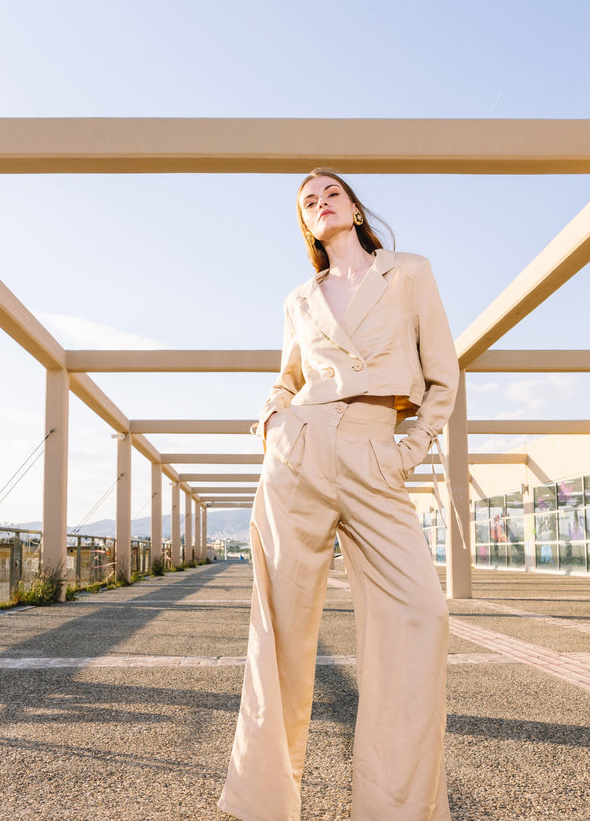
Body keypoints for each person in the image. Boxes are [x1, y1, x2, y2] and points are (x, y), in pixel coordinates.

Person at [219, 168, 459, 821]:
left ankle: (397, 809)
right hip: (299, 451)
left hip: (375, 446)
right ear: (307, 224)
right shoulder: (300, 298)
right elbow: (287, 377)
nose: (319, 202)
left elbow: (444, 375)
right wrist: (269, 424)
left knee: (421, 614)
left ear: (354, 208)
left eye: (330, 193)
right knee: (279, 628)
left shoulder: (408, 272)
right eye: (307, 201)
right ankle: (263, 803)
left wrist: (409, 452)